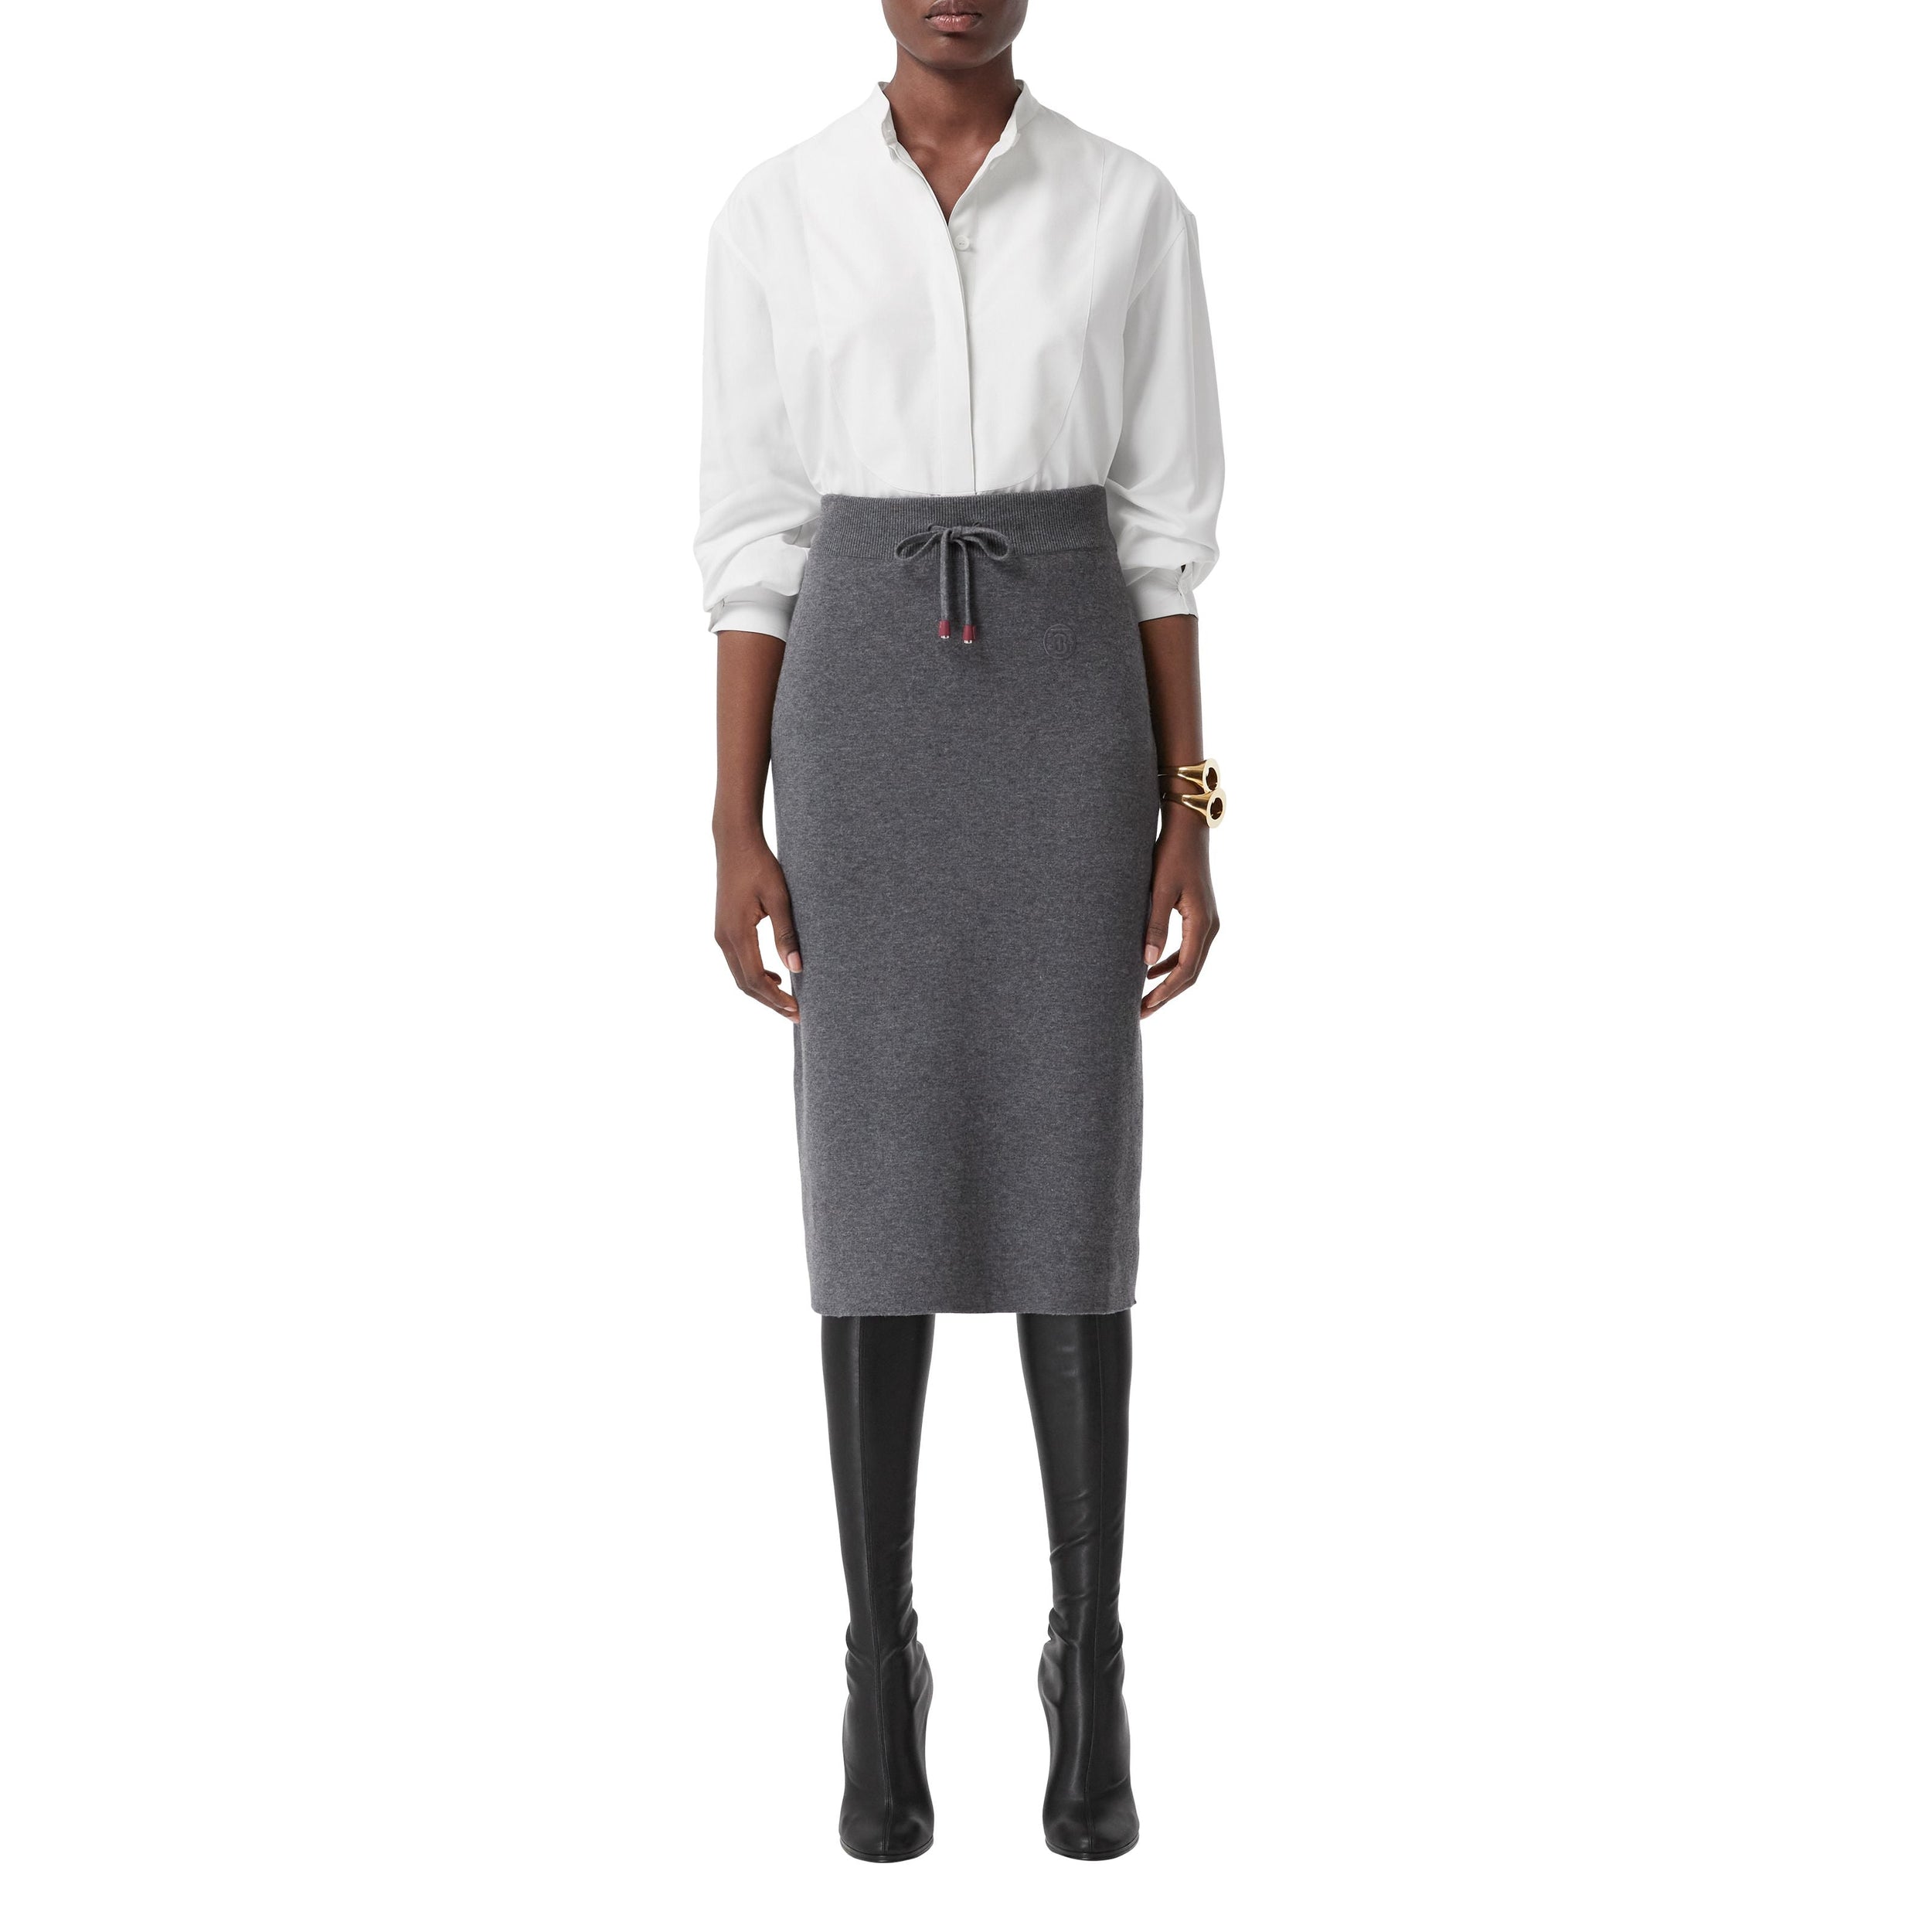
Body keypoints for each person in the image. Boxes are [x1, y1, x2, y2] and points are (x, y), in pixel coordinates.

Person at [696, 0, 1224, 1862]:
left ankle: (1089, 1658)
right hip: (858, 710)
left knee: (1073, 1166)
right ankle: (877, 1659)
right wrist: (731, 821)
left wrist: (1192, 802)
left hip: (1071, 703)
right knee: (873, 1175)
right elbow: (752, 539)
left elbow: (1163, 541)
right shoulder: (775, 211)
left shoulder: (1130, 206)